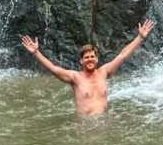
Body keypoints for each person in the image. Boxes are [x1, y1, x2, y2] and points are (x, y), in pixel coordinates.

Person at [21, 20, 154, 116]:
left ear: (96, 59)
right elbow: (53, 69)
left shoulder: (104, 72)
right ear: (81, 61)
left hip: (103, 122)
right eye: (86, 57)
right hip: (84, 126)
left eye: (92, 57)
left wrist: (140, 37)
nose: (90, 59)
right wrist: (36, 53)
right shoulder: (75, 78)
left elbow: (123, 55)